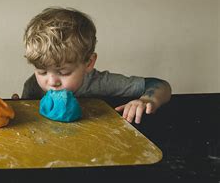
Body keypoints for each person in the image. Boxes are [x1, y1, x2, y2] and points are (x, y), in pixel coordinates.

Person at [16, 7, 171, 124]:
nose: (51, 82)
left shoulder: (100, 83)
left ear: (89, 63)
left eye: (63, 72)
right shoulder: (32, 87)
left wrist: (147, 100)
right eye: (42, 72)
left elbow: (160, 85)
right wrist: (17, 108)